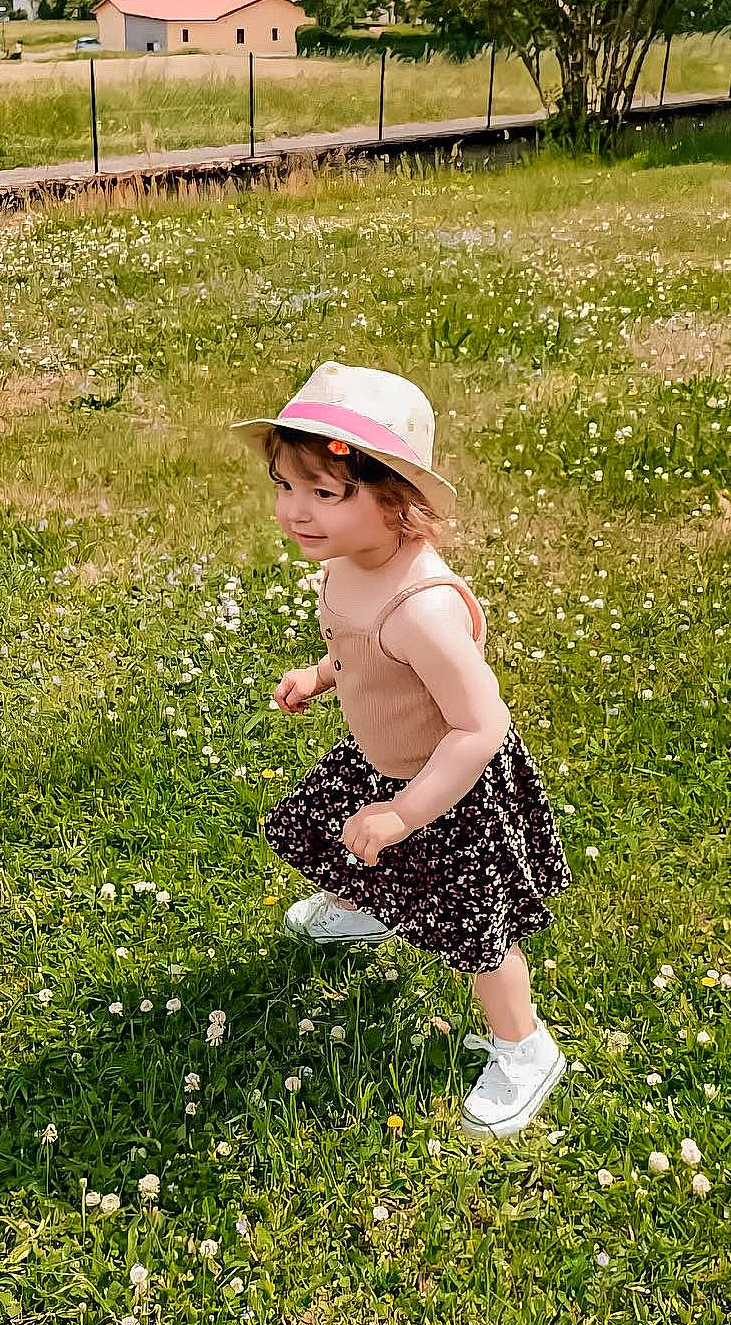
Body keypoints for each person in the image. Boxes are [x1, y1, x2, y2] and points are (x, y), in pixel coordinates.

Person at [232, 362, 571, 1139]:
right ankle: (369, 907)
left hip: (448, 785)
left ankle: (526, 1049)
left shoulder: (422, 608)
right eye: (284, 485)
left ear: (397, 501)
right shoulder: (346, 563)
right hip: (381, 761)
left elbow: (480, 726)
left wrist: (405, 812)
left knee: (475, 933)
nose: (294, 510)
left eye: (325, 492)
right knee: (331, 832)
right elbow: (359, 649)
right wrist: (322, 675)